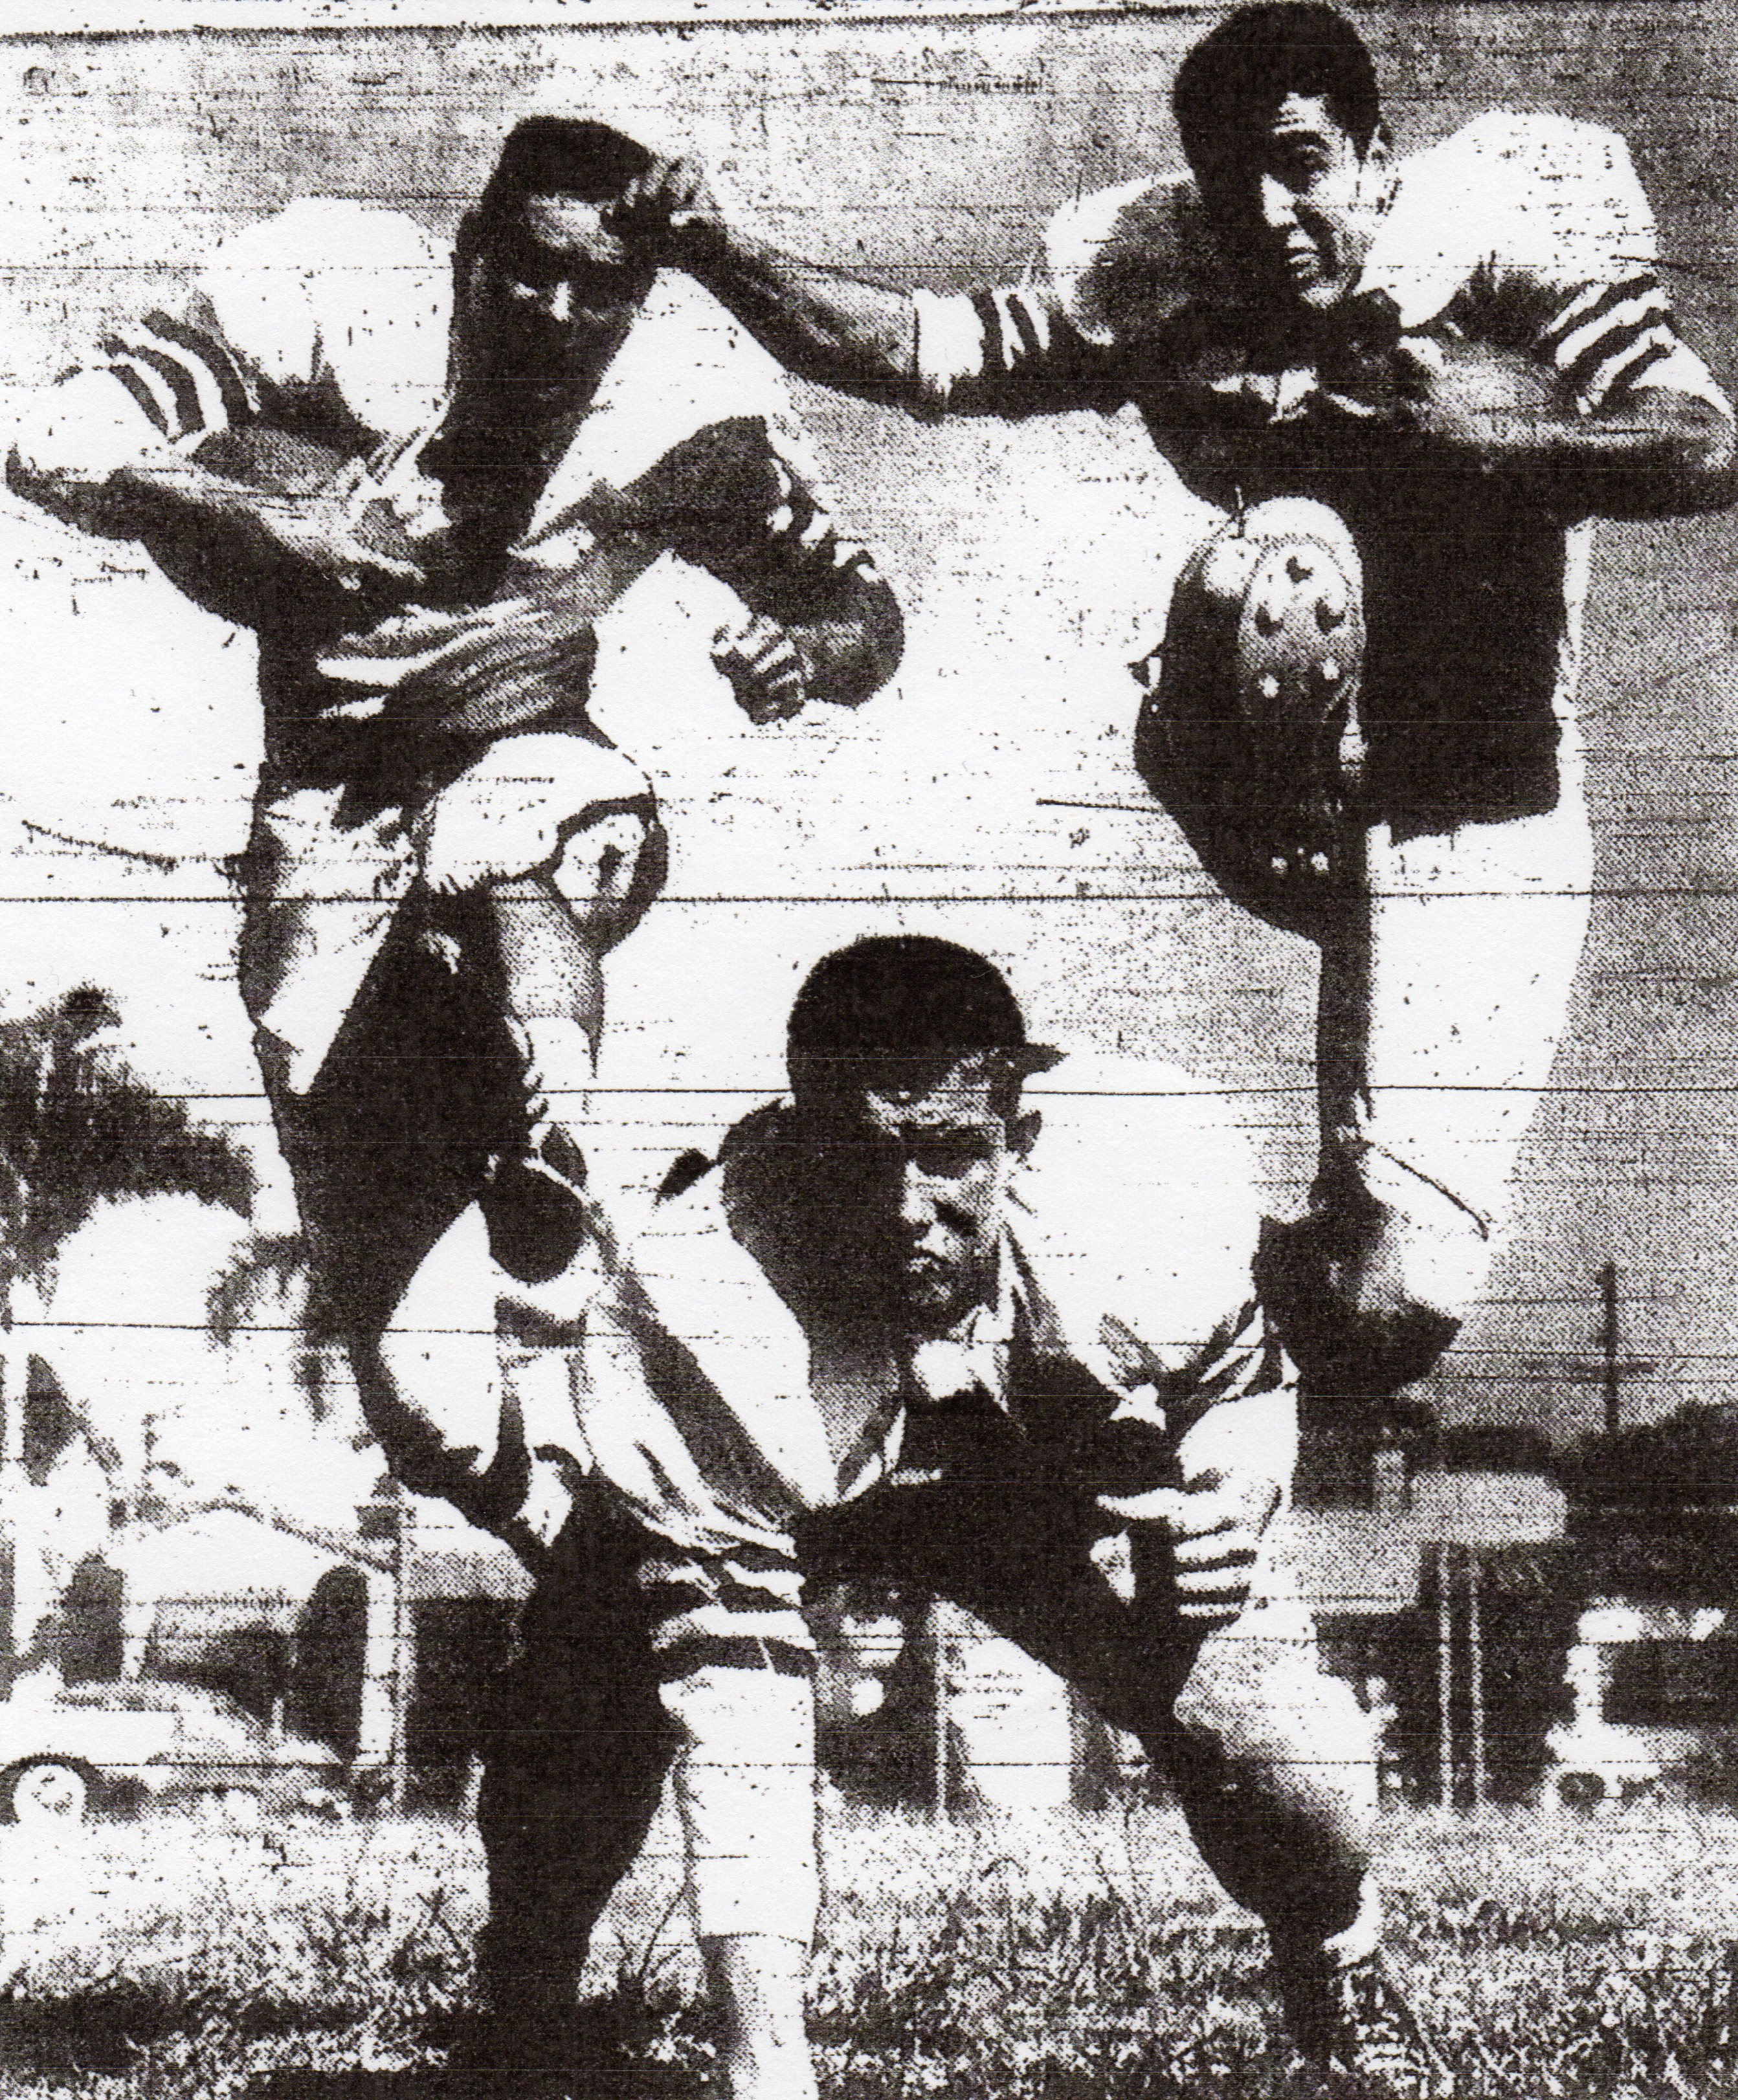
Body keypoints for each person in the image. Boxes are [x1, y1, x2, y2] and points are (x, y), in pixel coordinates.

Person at [604, 5, 1736, 1455]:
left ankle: (1059, 1306)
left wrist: (1501, 443)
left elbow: (1700, 443)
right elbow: (915, 350)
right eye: (1229, 181)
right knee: (1287, 558)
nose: (1267, 216)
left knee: (1388, 1304)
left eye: (1301, 167)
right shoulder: (1167, 280)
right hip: (1275, 772)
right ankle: (883, 1219)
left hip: (1478, 796)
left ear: (1375, 157)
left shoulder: (1497, 236)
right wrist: (716, 248)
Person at [6, 117, 903, 1535]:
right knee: (421, 1406)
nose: (556, 315)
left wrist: (810, 656)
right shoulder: (331, 304)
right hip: (327, 816)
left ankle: (558, 1125)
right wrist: (246, 516)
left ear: (641, 298)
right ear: (468, 258)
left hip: (533, 756)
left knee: (507, 830)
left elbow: (861, 607)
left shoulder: (687, 413)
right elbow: (47, 433)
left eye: (599, 289)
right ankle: (574, 1541)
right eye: (524, 275)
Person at [476, 936, 1425, 2096]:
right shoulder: (703, 1289)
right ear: (795, 1135)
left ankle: (1338, 1961)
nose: (904, 1208)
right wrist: (765, 2069)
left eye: (947, 1156)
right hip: (771, 1483)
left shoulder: (1132, 1207)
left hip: (1029, 1489)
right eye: (861, 1158)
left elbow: (1242, 1384)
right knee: (579, 1697)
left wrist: (1232, 1501)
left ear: (1018, 1139)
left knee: (1288, 1748)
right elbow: (746, 1733)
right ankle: (524, 1995)